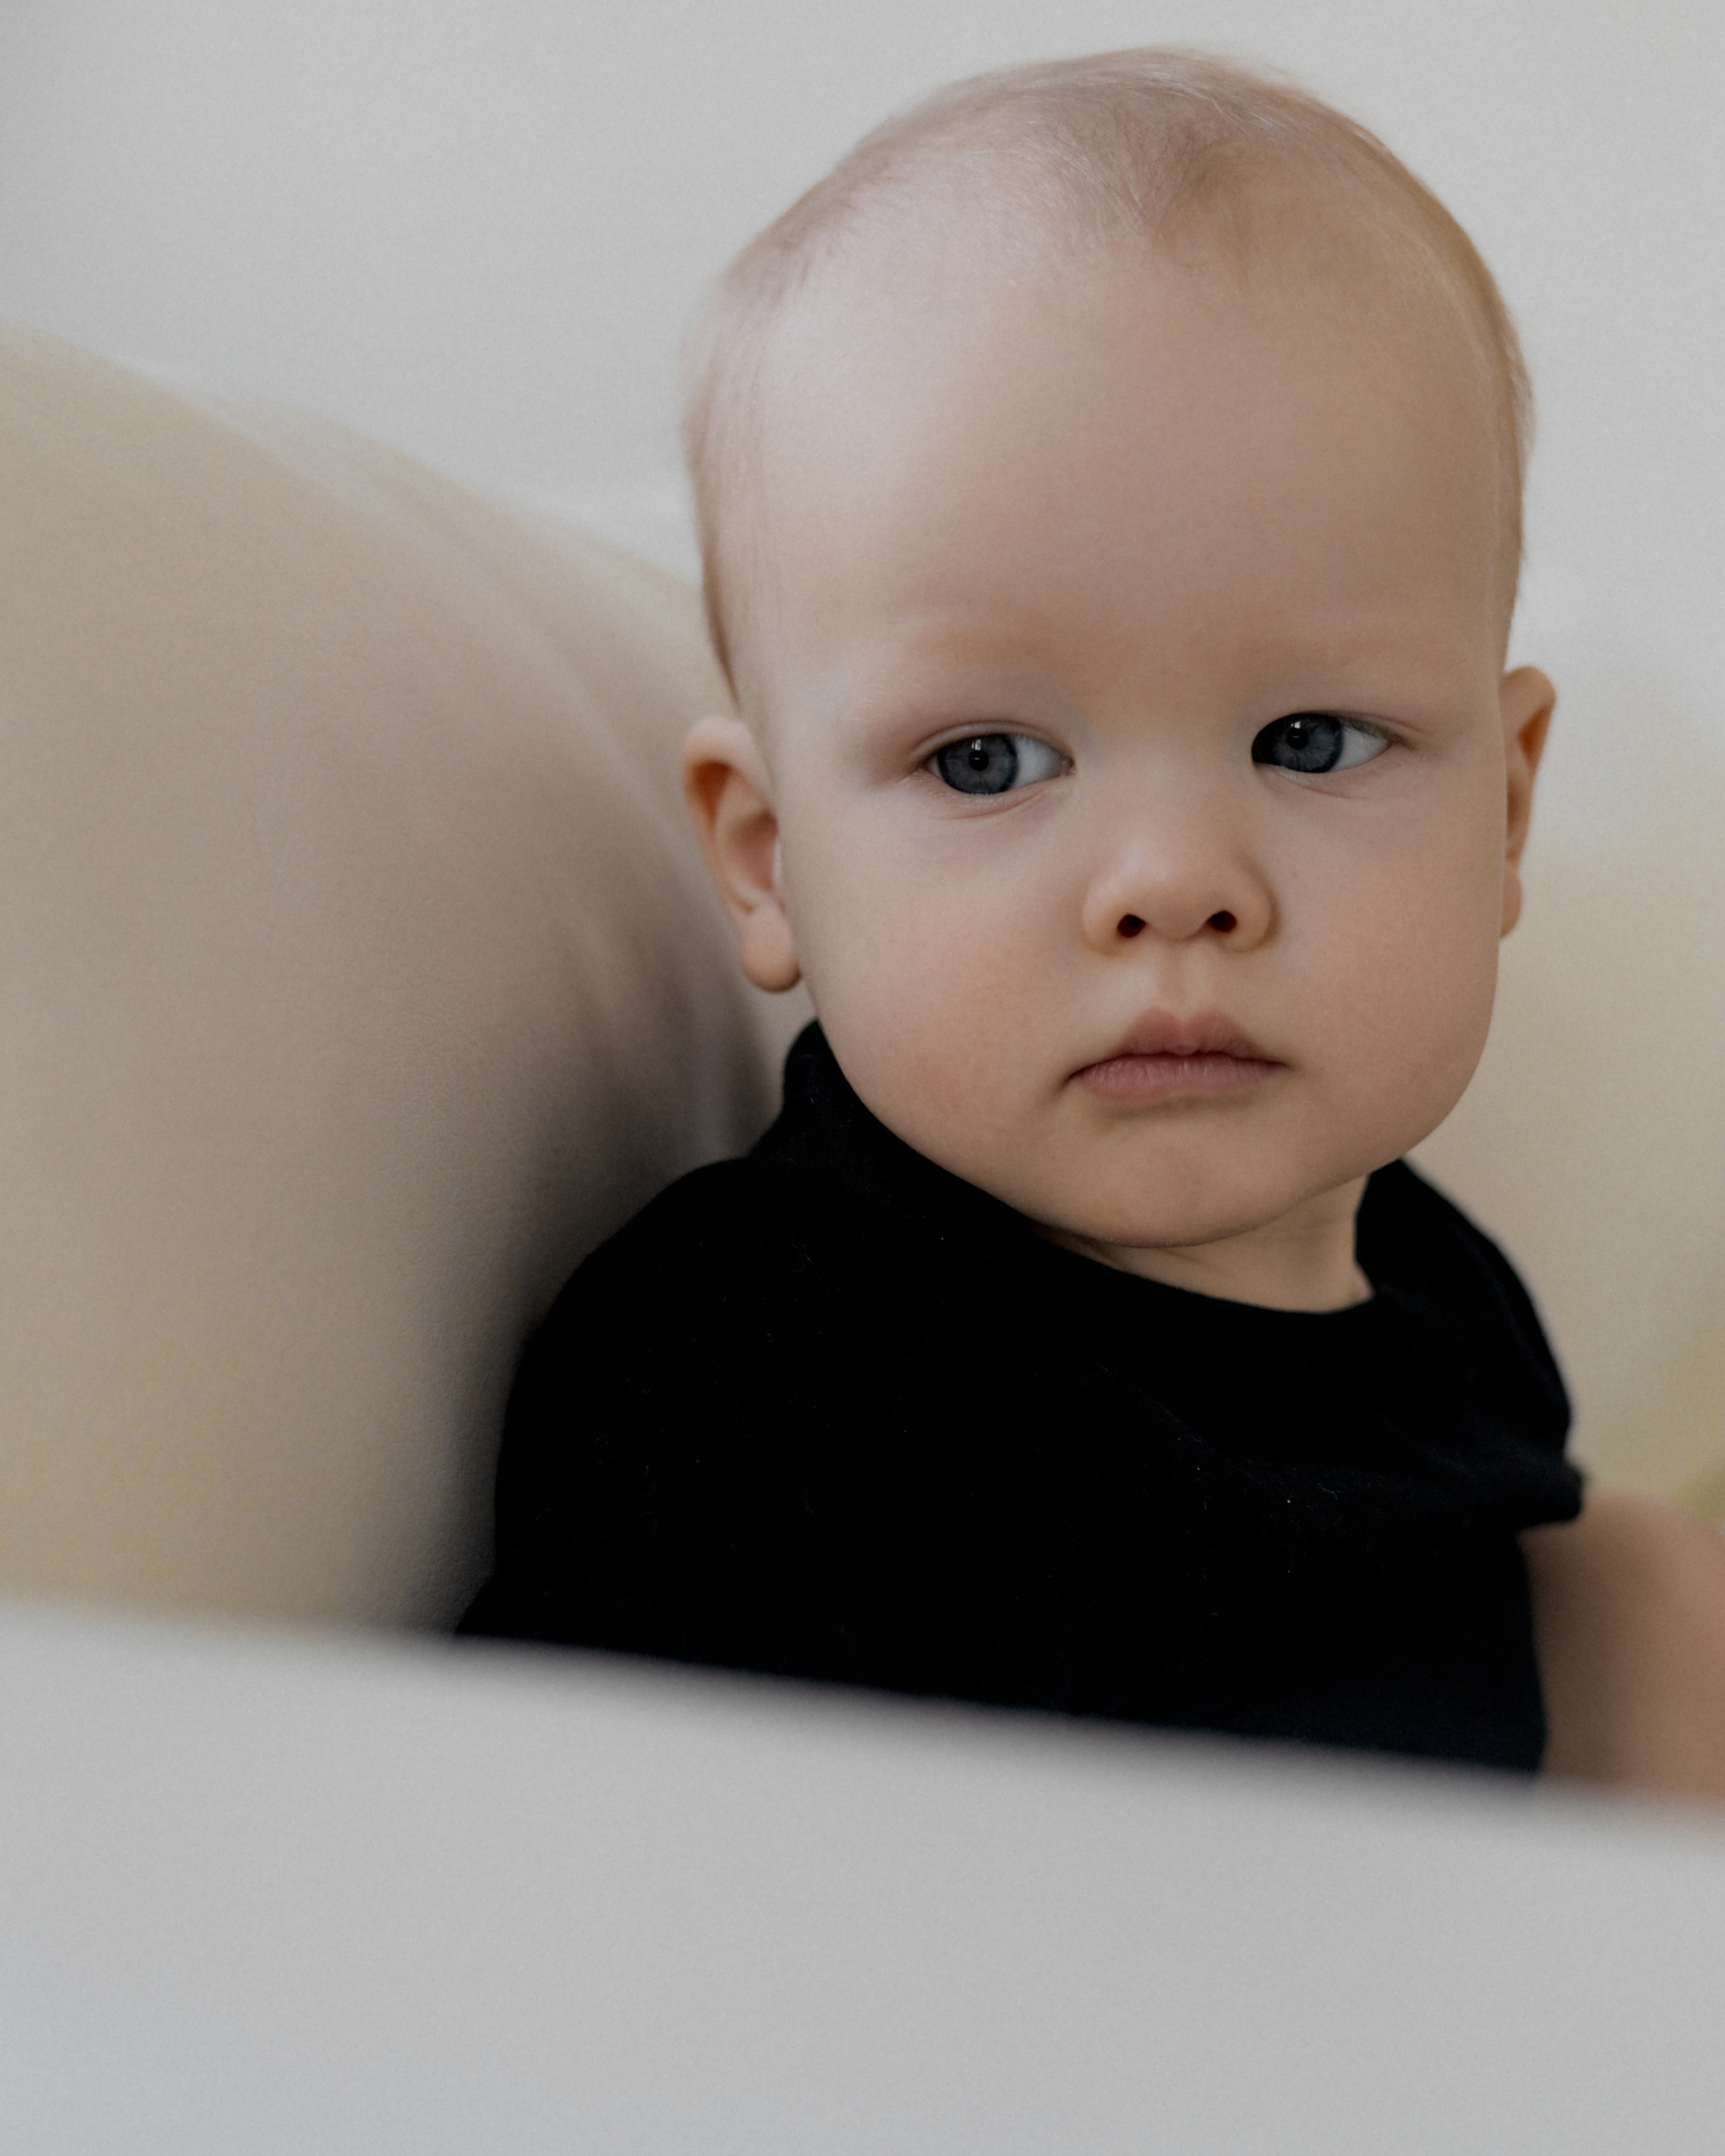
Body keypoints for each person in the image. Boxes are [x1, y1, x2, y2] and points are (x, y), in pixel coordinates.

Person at [462, 50, 1725, 1792]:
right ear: (768, 859)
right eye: (987, 759)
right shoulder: (764, 1378)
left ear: (1504, 812)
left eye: (1309, 740)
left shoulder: (1438, 1293)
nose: (1172, 882)